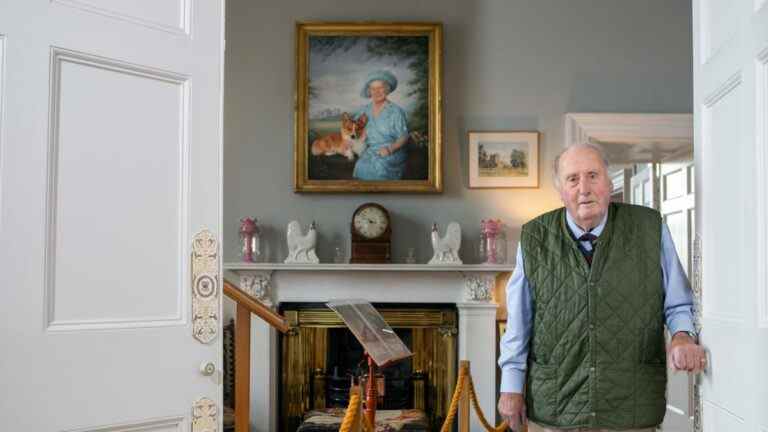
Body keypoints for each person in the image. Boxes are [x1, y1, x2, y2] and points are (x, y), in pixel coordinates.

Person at [497, 143, 706, 432]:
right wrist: (511, 386)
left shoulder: (649, 227)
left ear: (609, 182)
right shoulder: (534, 238)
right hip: (557, 404)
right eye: (573, 179)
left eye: (593, 175)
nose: (584, 188)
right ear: (561, 191)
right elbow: (519, 323)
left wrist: (683, 336)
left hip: (632, 405)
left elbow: (678, 304)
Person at [352, 70, 409, 180]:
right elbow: (354, 129)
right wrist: (357, 139)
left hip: (392, 151)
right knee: (360, 166)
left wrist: (390, 149)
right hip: (371, 151)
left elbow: (404, 136)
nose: (377, 92)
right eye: (373, 89)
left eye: (380, 88)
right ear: (369, 91)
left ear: (387, 89)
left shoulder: (396, 111)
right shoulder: (364, 110)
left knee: (379, 169)